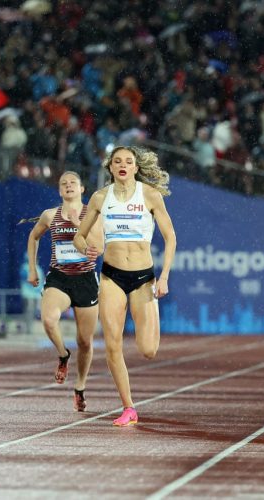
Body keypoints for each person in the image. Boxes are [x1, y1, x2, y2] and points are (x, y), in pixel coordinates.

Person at [74, 146, 176, 426]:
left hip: (143, 278)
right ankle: (129, 407)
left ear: (135, 167)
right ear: (110, 168)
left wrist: (164, 276)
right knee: (112, 345)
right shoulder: (99, 198)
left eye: (128, 162)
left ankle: (148, 341)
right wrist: (87, 249)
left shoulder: (150, 195)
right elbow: (79, 238)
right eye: (117, 161)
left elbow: (170, 238)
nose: (122, 165)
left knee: (148, 350)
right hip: (111, 277)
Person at [26, 171, 104, 412]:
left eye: (73, 183)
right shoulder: (50, 215)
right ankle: (62, 355)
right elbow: (33, 236)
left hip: (85, 279)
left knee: (85, 341)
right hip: (59, 278)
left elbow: (98, 247)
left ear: (82, 189)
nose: (68, 186)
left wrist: (79, 224)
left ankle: (80, 387)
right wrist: (32, 268)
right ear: (59, 191)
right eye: (64, 184)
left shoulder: (93, 214)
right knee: (49, 320)